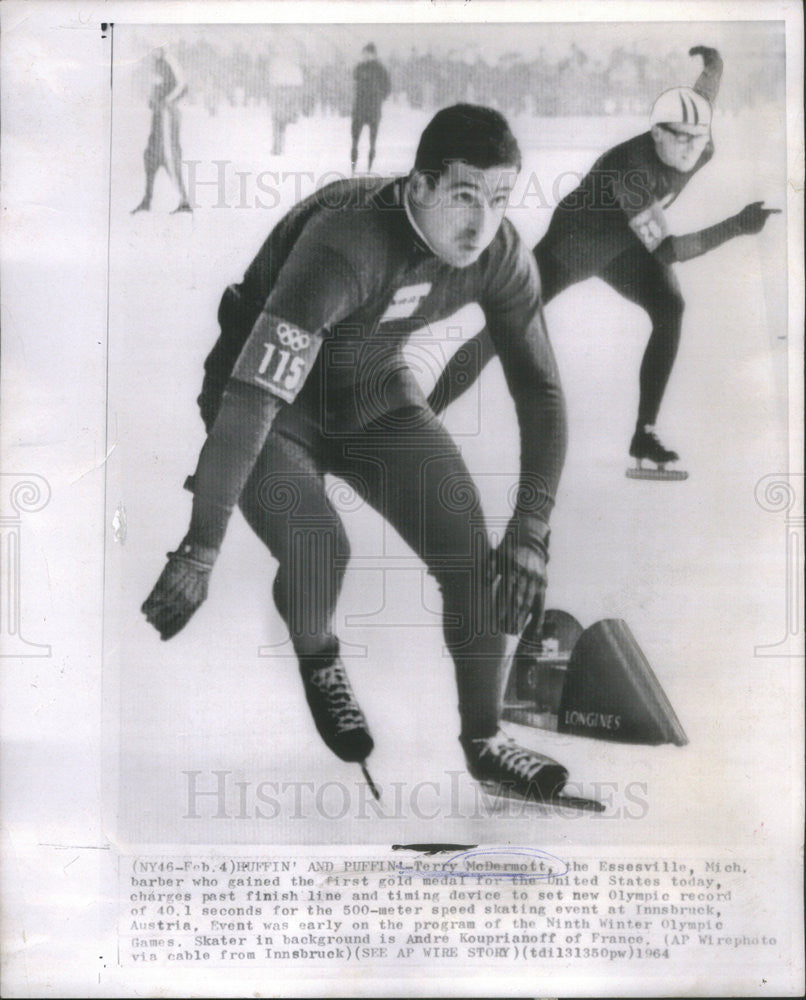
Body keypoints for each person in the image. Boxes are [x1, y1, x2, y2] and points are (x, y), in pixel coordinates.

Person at [142, 104, 571, 804]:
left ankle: (486, 741)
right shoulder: (346, 241)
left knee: (474, 558)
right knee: (319, 547)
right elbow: (255, 395)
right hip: (268, 402)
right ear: (420, 186)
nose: (481, 223)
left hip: (370, 388)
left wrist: (531, 530)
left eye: (499, 199)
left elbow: (543, 394)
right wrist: (199, 548)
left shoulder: (500, 254)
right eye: (465, 196)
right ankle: (320, 655)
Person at [427, 48, 780, 477]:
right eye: (680, 138)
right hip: (576, 244)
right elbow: (666, 251)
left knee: (670, 308)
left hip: (625, 245)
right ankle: (423, 416)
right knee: (504, 328)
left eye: (699, 138)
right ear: (656, 134)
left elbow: (704, 100)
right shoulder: (631, 170)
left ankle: (643, 432)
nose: (691, 148)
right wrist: (737, 226)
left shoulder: (702, 142)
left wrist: (714, 66)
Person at [132, 47, 192, 214]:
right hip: (158, 114)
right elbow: (158, 86)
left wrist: (166, 101)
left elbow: (182, 85)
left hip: (167, 115)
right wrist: (153, 100)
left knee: (169, 155)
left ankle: (184, 200)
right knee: (150, 155)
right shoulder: (155, 63)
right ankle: (147, 200)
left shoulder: (169, 60)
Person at [350, 43, 391, 173]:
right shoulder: (359, 67)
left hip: (373, 108)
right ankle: (353, 167)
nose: (365, 56)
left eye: (368, 53)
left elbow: (387, 86)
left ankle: (369, 167)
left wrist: (379, 98)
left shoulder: (380, 68)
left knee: (372, 141)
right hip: (360, 108)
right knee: (355, 139)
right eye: (364, 53)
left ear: (373, 54)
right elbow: (354, 79)